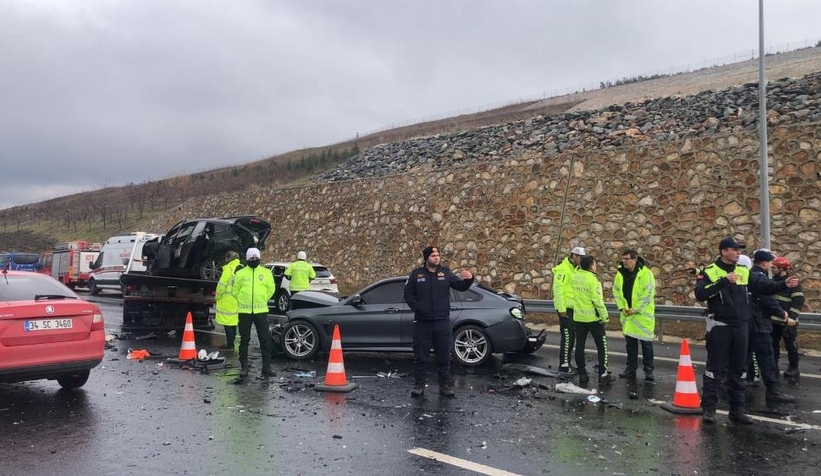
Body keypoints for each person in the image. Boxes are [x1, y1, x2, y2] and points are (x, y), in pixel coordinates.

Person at [695, 238, 798, 425]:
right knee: (715, 368)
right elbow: (700, 294)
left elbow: (763, 287)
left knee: (739, 370)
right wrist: (723, 281)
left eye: (740, 250)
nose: (739, 253)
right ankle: (709, 408)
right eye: (735, 249)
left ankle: (737, 410)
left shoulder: (743, 270)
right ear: (724, 251)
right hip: (720, 326)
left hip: (742, 326)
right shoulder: (709, 271)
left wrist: (784, 284)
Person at [403, 246, 474, 398]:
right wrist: (418, 308)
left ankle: (445, 386)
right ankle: (419, 386)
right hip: (423, 322)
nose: (436, 257)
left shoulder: (446, 273)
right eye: (433, 255)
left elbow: (460, 286)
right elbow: (408, 294)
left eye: (438, 255)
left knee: (444, 356)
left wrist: (469, 279)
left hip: (442, 322)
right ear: (426, 258)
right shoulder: (417, 274)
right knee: (421, 357)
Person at [747, 250, 796, 402]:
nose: (771, 266)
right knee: (766, 357)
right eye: (770, 263)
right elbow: (767, 296)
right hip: (759, 322)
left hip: (748, 322)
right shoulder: (759, 277)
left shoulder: (749, 274)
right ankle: (772, 391)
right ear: (764, 263)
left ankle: (734, 386)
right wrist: (781, 312)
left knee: (744, 356)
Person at [232, 247, 276, 379]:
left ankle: (266, 367)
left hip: (261, 311)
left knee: (264, 339)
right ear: (247, 259)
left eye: (256, 258)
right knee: (244, 339)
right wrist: (242, 300)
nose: (254, 260)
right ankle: (244, 367)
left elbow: (271, 288)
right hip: (244, 311)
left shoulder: (266, 272)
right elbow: (235, 290)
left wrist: (263, 299)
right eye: (252, 258)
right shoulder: (240, 273)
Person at [613, 249, 656, 382]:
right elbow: (616, 291)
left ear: (634, 259)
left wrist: (635, 309)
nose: (624, 262)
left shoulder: (645, 274)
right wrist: (622, 307)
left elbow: (648, 293)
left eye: (627, 259)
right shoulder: (620, 273)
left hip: (642, 317)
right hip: (628, 316)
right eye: (623, 259)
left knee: (646, 345)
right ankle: (631, 369)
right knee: (630, 345)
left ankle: (649, 370)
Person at [572, 255, 614, 386]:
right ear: (591, 266)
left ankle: (582, 373)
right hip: (593, 319)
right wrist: (605, 317)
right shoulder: (593, 280)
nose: (596, 266)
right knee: (602, 346)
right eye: (595, 264)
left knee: (580, 345)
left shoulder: (575, 277)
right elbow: (597, 301)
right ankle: (603, 374)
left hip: (578, 317)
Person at [552, 246, 586, 375]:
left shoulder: (575, 269)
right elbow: (558, 290)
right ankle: (564, 365)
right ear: (573, 256)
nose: (581, 260)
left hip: (573, 308)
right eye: (580, 257)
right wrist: (561, 309)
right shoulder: (563, 269)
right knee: (567, 336)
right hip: (564, 308)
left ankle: (567, 362)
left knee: (572, 336)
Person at [771, 256, 804, 378]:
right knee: (773, 346)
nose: (772, 269)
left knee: (791, 346)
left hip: (788, 322)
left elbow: (798, 301)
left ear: (782, 269)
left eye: (774, 268)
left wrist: (792, 317)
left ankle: (793, 368)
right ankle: (773, 367)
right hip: (774, 321)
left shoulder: (793, 283)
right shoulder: (773, 282)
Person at [215, 251, 242, 351]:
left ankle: (230, 345)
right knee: (233, 322)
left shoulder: (229, 268)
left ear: (228, 259)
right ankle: (231, 344)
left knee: (227, 323)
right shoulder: (241, 267)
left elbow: (222, 284)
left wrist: (217, 296)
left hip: (227, 300)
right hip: (237, 299)